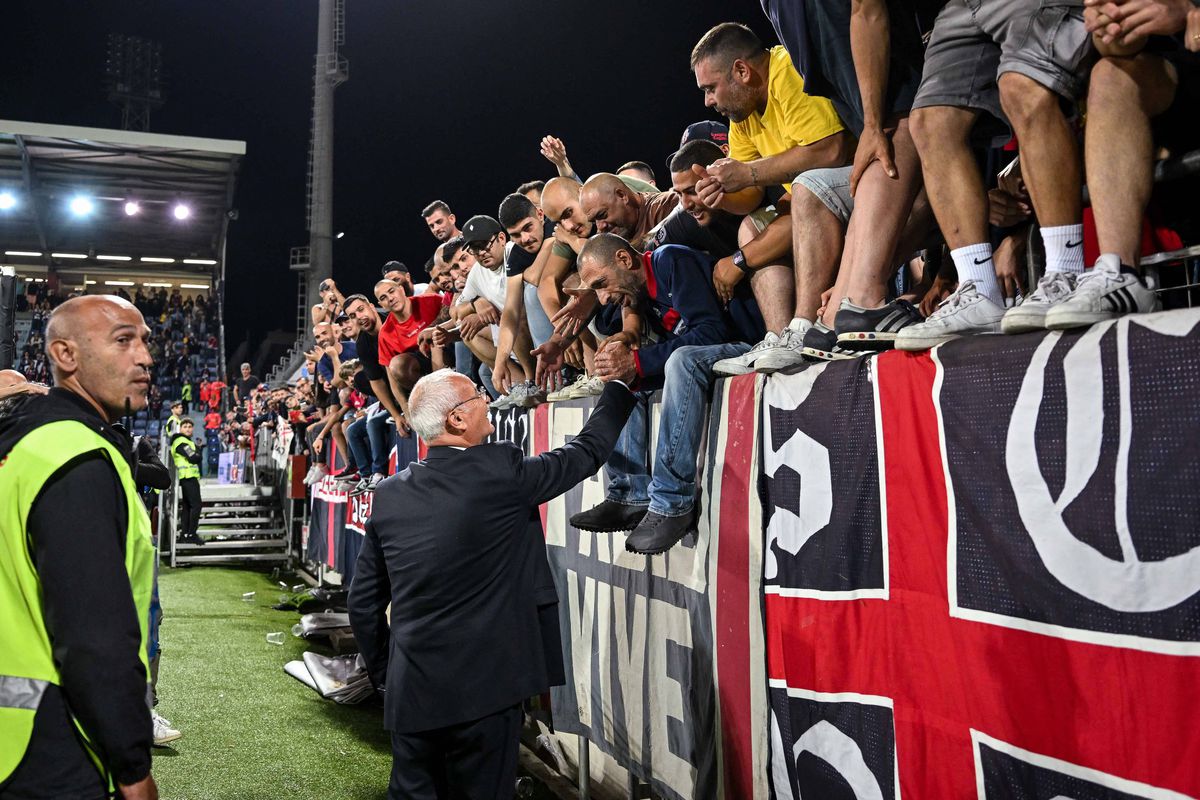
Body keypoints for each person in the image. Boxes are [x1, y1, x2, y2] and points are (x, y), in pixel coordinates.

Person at [348, 367, 636, 799]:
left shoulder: (388, 494)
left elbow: (363, 602)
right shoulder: (500, 471)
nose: (486, 399)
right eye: (476, 395)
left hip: (413, 691)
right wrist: (619, 387)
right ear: (456, 420)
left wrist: (389, 674)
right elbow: (585, 452)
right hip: (487, 691)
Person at [0, 295, 158, 799]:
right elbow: (93, 639)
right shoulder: (76, 457)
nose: (145, 357)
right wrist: (133, 768)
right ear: (65, 356)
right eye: (123, 340)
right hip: (56, 747)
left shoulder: (26, 443)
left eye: (145, 341)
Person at [898, 0, 1095, 348]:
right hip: (956, 5)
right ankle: (978, 291)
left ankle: (1066, 272)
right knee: (930, 122)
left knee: (1023, 85)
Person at [564, 234, 765, 552]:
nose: (602, 299)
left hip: (749, 344)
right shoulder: (640, 293)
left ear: (625, 260)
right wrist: (628, 366)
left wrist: (638, 361)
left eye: (602, 284)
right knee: (622, 377)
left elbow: (712, 331)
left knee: (679, 360)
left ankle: (673, 503)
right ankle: (628, 494)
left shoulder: (671, 260)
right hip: (715, 355)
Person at [170, 418, 204, 546]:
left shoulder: (186, 442)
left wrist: (197, 450)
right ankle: (191, 534)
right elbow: (194, 458)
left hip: (188, 477)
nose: (188, 428)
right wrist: (198, 452)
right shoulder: (181, 442)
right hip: (188, 477)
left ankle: (185, 534)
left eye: (190, 426)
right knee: (196, 506)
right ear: (180, 429)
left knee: (188, 507)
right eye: (185, 426)